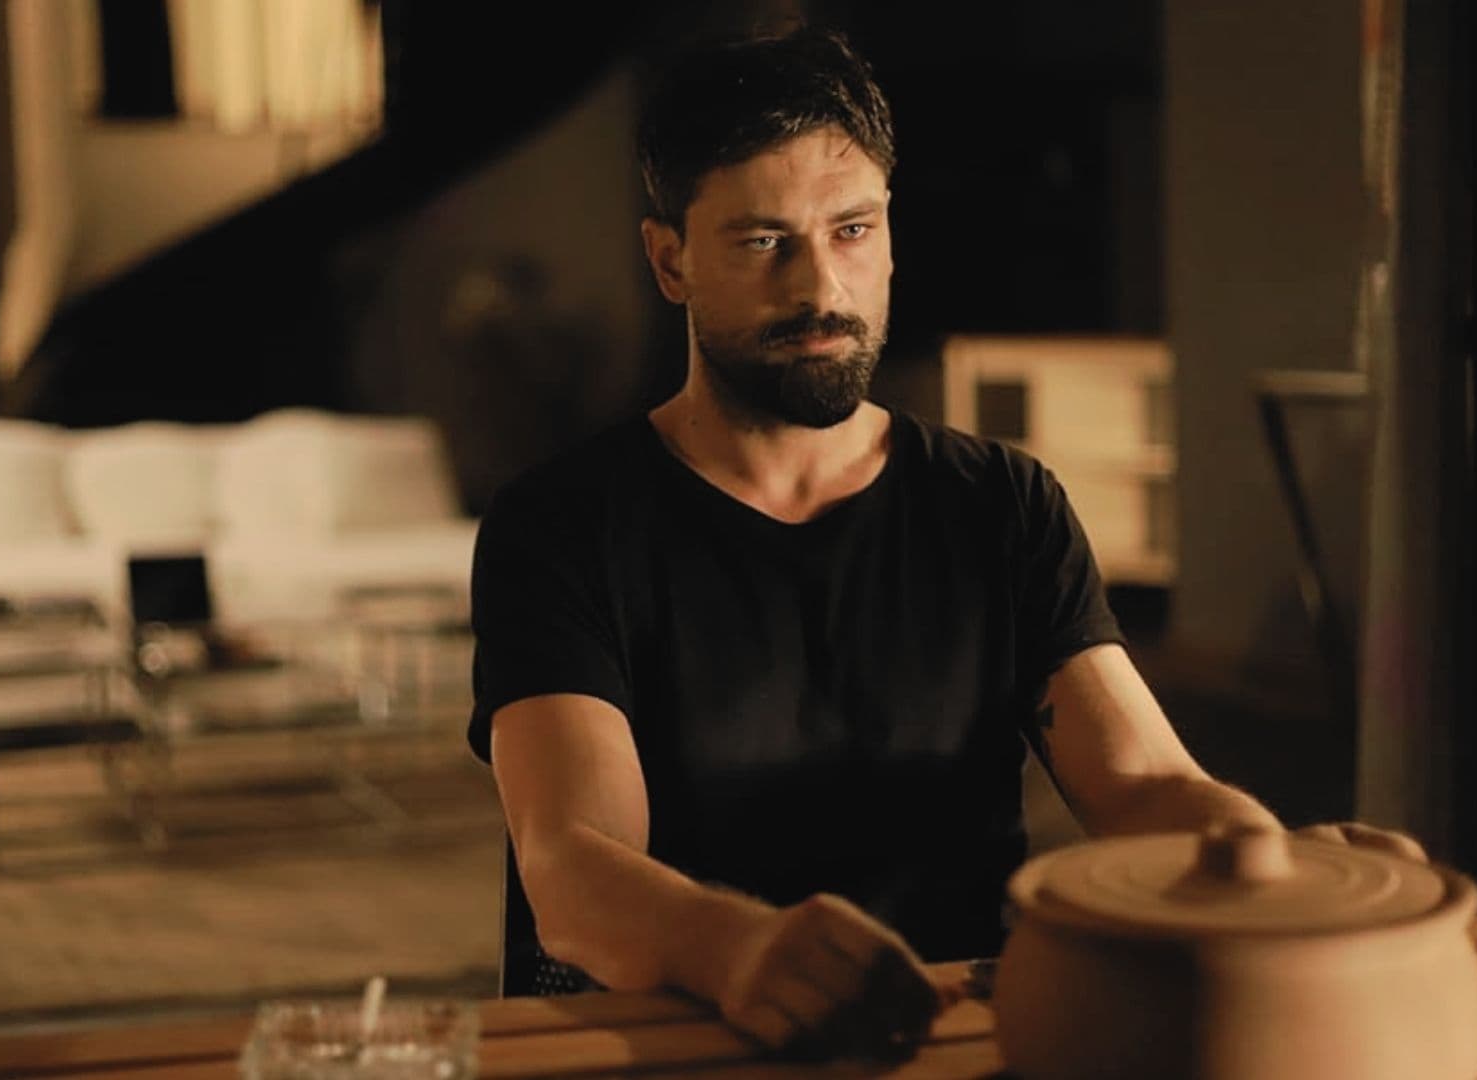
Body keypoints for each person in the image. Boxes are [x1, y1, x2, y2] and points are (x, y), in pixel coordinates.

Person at [466, 25, 1421, 1055]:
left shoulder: (1001, 506)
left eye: (851, 230)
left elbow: (1142, 784)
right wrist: (742, 951)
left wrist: (1264, 863)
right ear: (670, 260)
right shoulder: (563, 526)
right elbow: (574, 863)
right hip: (677, 1039)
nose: (820, 289)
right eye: (763, 242)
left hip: (954, 1036)